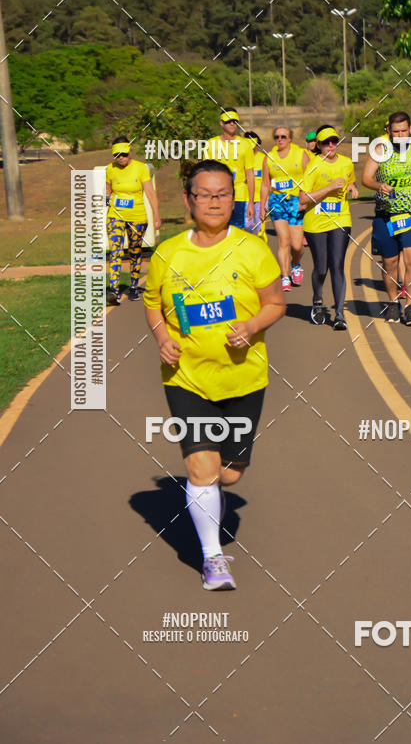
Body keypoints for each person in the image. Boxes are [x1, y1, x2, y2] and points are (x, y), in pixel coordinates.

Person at [143, 160, 285, 591]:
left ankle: (214, 489)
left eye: (222, 194)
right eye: (203, 194)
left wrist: (252, 326)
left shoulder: (253, 249)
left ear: (233, 199)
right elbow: (152, 304)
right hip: (186, 377)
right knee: (203, 470)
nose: (213, 202)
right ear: (188, 200)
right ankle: (213, 559)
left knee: (229, 474)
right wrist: (162, 337)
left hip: (244, 380)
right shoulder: (167, 253)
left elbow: (275, 303)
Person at [362, 111, 411, 326]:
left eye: (404, 131)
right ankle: (393, 302)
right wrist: (378, 186)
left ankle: (410, 306)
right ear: (389, 132)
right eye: (396, 132)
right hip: (386, 214)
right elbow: (365, 178)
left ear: (410, 130)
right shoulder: (380, 150)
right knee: (389, 262)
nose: (400, 135)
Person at [299, 124, 358, 330]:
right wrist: (329, 187)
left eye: (334, 141)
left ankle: (340, 315)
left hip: (340, 218)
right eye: (326, 143)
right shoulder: (314, 166)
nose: (331, 145)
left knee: (337, 264)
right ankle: (317, 299)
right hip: (315, 220)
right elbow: (303, 198)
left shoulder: (347, 163)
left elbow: (351, 182)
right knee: (322, 267)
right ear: (319, 146)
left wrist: (352, 187)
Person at [105, 137, 161, 305]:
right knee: (115, 251)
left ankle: (134, 287)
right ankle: (113, 290)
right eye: (117, 155)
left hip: (137, 216)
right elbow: (108, 189)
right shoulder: (110, 169)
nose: (121, 158)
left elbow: (150, 193)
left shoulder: (140, 168)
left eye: (123, 154)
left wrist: (156, 214)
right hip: (115, 215)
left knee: (135, 251)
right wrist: (106, 198)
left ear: (129, 152)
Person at [260, 126, 310, 291]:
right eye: (276, 137)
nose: (279, 139)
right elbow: (265, 184)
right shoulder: (269, 158)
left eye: (283, 136)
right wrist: (262, 206)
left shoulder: (300, 154)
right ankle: (285, 277)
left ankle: (296, 264)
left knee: (296, 245)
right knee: (283, 240)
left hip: (296, 200)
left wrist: (305, 199)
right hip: (277, 201)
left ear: (290, 139)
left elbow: (310, 178)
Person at [204, 109, 255, 230]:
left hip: (239, 196)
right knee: (218, 230)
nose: (232, 124)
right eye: (228, 121)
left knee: (236, 232)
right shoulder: (211, 144)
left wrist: (251, 203)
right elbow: (205, 174)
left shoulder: (245, 144)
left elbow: (250, 176)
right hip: (216, 196)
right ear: (221, 123)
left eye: (235, 121)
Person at [244, 130, 267, 239]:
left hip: (260, 199)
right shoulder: (241, 158)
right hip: (245, 198)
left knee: (260, 229)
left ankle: (261, 250)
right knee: (247, 227)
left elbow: (267, 180)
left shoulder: (263, 158)